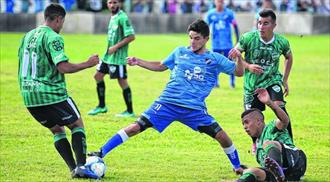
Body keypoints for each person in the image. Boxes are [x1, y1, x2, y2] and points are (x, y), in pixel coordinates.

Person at [88, 19, 245, 176]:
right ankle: (101, 153)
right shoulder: (179, 52)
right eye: (190, 37)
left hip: (194, 109)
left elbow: (239, 72)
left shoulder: (215, 59)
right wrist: (139, 62)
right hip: (167, 103)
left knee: (222, 137)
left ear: (206, 39)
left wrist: (238, 58)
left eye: (197, 38)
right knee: (136, 127)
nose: (193, 42)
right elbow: (161, 65)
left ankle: (237, 166)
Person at [18, 4, 100, 179]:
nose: (61, 26)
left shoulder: (27, 36)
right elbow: (63, 67)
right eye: (62, 22)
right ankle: (81, 167)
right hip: (50, 94)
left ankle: (73, 170)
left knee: (57, 129)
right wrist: (88, 63)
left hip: (29, 96)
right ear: (58, 19)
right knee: (77, 124)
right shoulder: (53, 37)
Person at [229, 9, 293, 154]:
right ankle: (256, 143)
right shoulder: (248, 38)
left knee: (280, 109)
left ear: (274, 25)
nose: (261, 27)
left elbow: (289, 57)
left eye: (265, 23)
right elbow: (235, 54)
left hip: (272, 81)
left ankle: (289, 142)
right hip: (252, 85)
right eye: (259, 23)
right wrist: (248, 66)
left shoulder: (281, 42)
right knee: (251, 117)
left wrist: (285, 80)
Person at [237, 88, 306, 182]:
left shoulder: (271, 127)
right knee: (251, 171)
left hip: (296, 162)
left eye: (246, 122)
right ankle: (278, 176)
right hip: (287, 176)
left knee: (268, 143)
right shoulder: (258, 150)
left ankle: (278, 173)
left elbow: (285, 120)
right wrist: (244, 170)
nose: (245, 127)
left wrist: (270, 103)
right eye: (243, 124)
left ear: (258, 121)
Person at [88, 0, 136, 117]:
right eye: (110, 2)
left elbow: (131, 36)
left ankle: (130, 111)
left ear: (120, 3)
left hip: (118, 58)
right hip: (108, 56)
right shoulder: (113, 16)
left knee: (122, 82)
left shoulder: (122, 17)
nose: (112, 5)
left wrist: (115, 47)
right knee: (97, 76)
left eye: (115, 2)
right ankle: (102, 106)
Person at [205, 0, 239, 88]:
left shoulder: (229, 13)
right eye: (218, 1)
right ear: (215, 2)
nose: (219, 3)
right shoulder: (210, 13)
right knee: (214, 63)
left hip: (227, 43)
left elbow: (235, 25)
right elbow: (205, 26)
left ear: (223, 2)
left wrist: (237, 39)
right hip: (216, 43)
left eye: (221, 1)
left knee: (230, 63)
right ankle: (216, 82)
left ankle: (232, 82)